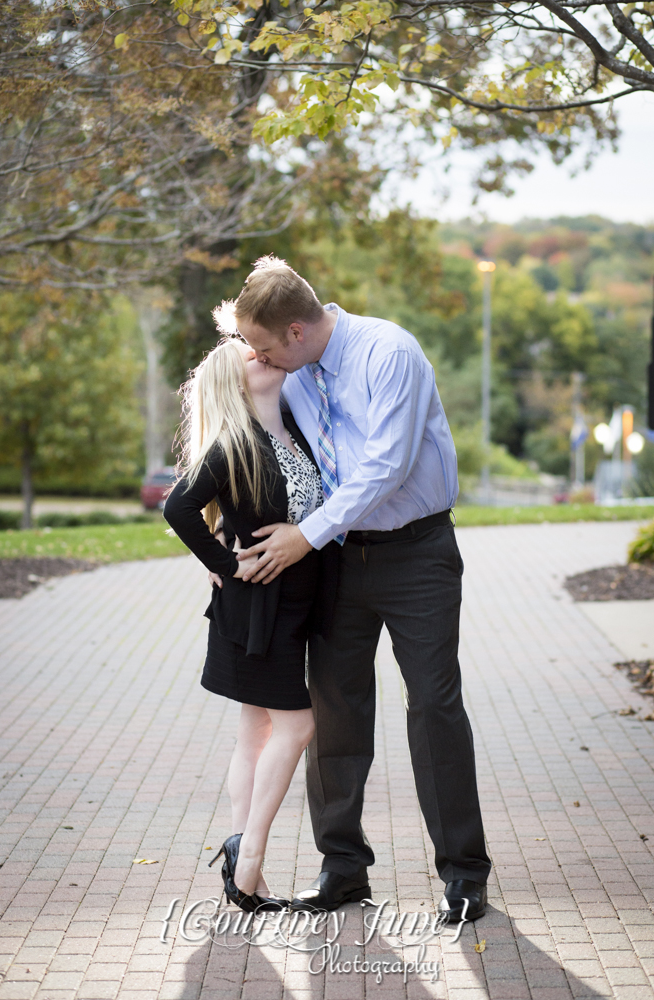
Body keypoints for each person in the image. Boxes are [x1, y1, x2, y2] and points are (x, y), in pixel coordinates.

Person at [212, 256, 492, 922]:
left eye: (263, 346)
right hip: (337, 559)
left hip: (416, 552)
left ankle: (462, 873)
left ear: (299, 332)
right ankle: (342, 868)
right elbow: (245, 426)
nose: (258, 357)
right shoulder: (290, 368)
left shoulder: (388, 353)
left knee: (432, 703)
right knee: (332, 707)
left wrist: (304, 534)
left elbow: (384, 467)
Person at [163, 337, 327, 913]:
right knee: (297, 726)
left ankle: (245, 872)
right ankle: (250, 855)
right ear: (235, 383)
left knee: (254, 730)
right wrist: (223, 563)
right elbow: (177, 508)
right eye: (251, 358)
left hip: (296, 603)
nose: (264, 356)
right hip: (260, 608)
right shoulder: (234, 444)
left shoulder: (293, 429)